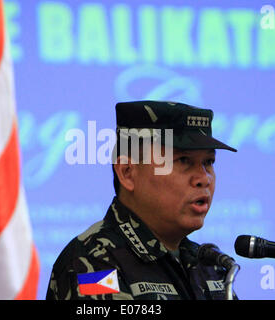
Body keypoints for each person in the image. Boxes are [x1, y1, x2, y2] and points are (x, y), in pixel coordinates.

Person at [46, 101, 238, 300]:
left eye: (209, 162)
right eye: (183, 160)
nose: (204, 178)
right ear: (128, 173)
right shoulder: (91, 263)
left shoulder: (210, 266)